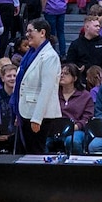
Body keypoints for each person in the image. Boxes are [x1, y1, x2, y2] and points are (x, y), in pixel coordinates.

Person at [15, 18, 63, 154]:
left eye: (30, 31)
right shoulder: (30, 55)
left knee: (35, 153)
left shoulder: (50, 56)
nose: (27, 35)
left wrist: (37, 118)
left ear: (42, 32)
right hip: (25, 112)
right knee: (25, 153)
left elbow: (47, 89)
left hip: (39, 115)